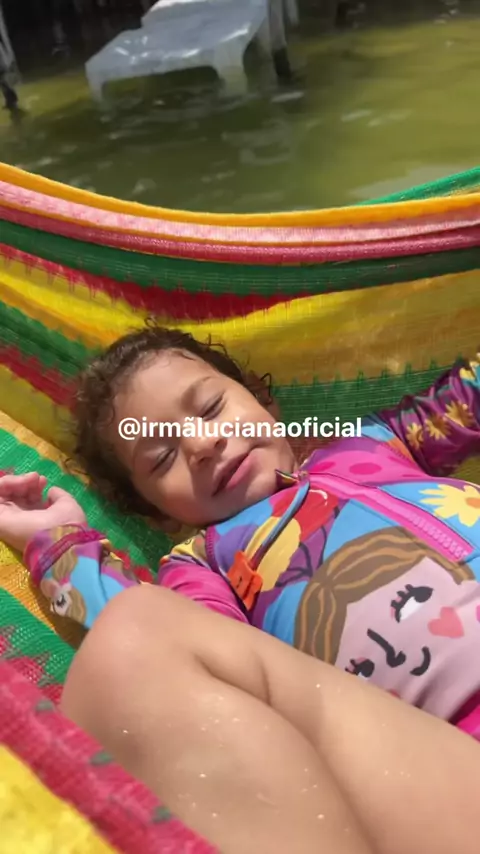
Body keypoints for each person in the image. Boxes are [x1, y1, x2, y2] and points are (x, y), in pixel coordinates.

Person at [1, 322, 480, 849]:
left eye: (210, 409)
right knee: (133, 635)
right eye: (162, 458)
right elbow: (138, 638)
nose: (203, 444)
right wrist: (56, 540)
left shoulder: (369, 446)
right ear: (158, 514)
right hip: (445, 756)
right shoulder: (203, 567)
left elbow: (465, 400)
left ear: (262, 400)